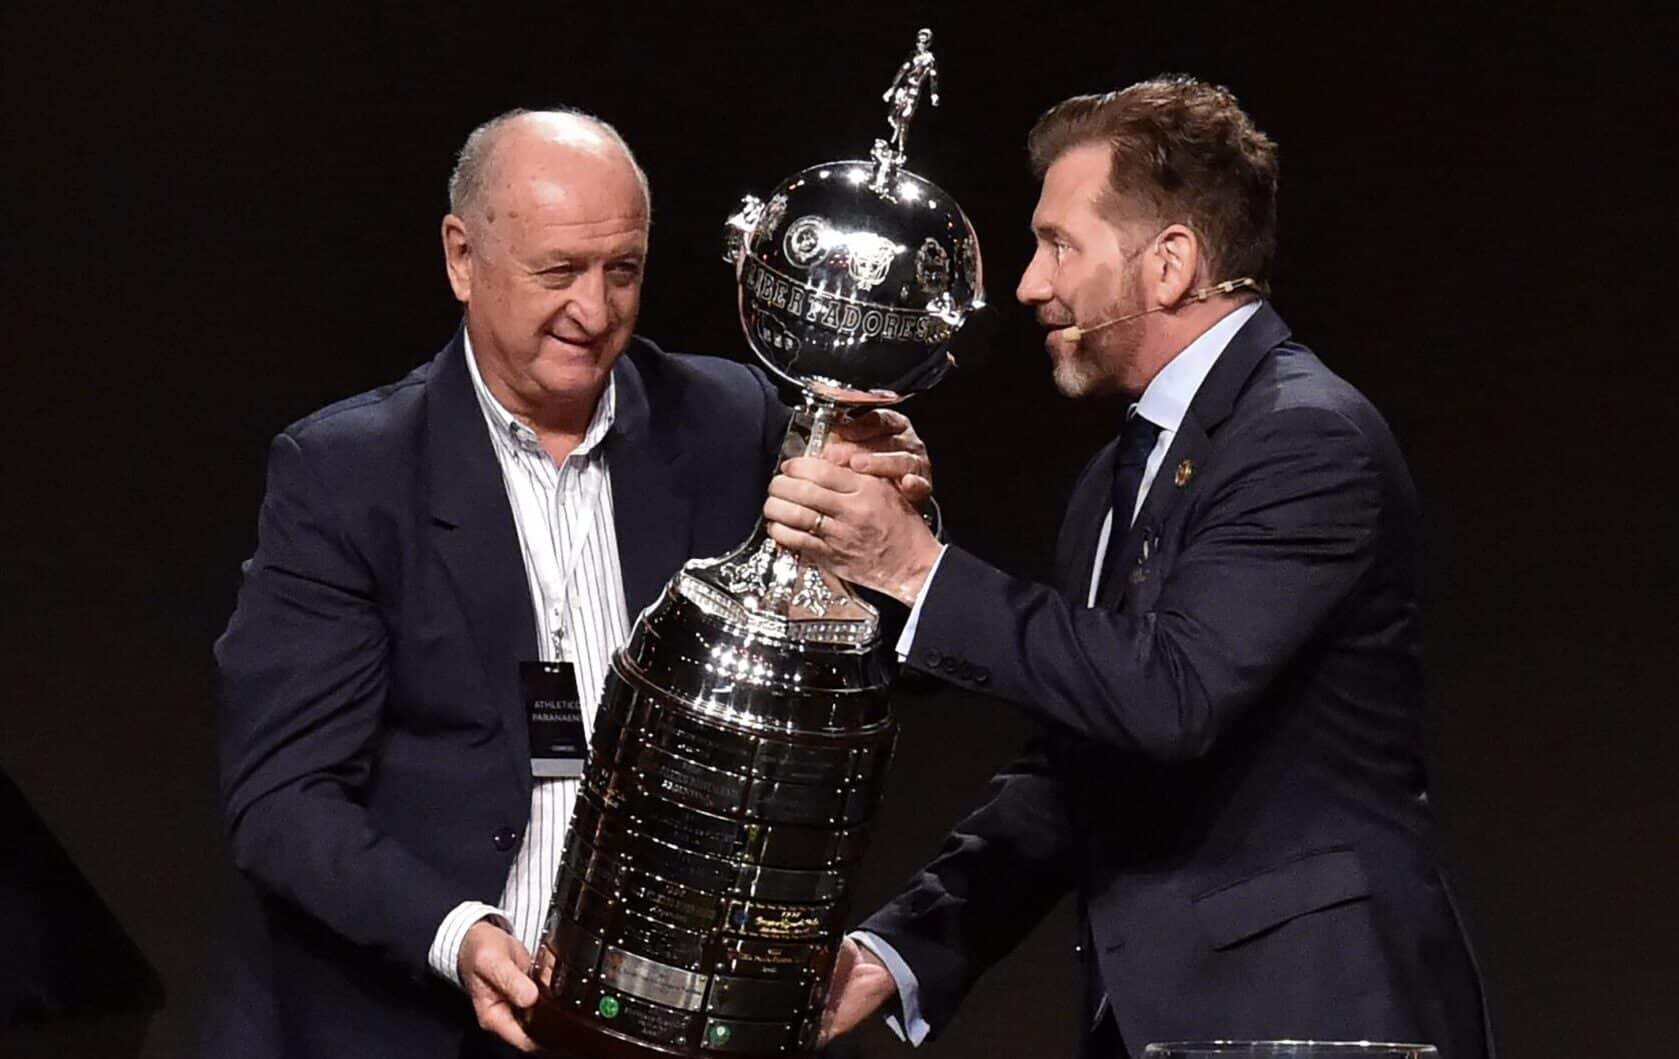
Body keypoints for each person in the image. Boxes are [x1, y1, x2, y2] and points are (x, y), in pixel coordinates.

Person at [764, 76, 1494, 1057]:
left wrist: (917, 567)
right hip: (1162, 1026)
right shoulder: (1117, 473)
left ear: (1170, 264)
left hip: (1309, 1020)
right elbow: (1077, 766)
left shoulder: (1304, 441)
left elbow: (1171, 693)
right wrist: (894, 953)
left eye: (1059, 244)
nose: (1029, 283)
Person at [212, 108, 931, 1059]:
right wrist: (455, 933)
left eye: (621, 270)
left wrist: (896, 539)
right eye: (557, 272)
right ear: (461, 258)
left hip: (667, 1024)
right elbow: (282, 794)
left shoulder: (730, 421)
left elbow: (862, 670)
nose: (594, 312)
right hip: (425, 1018)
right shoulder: (348, 475)